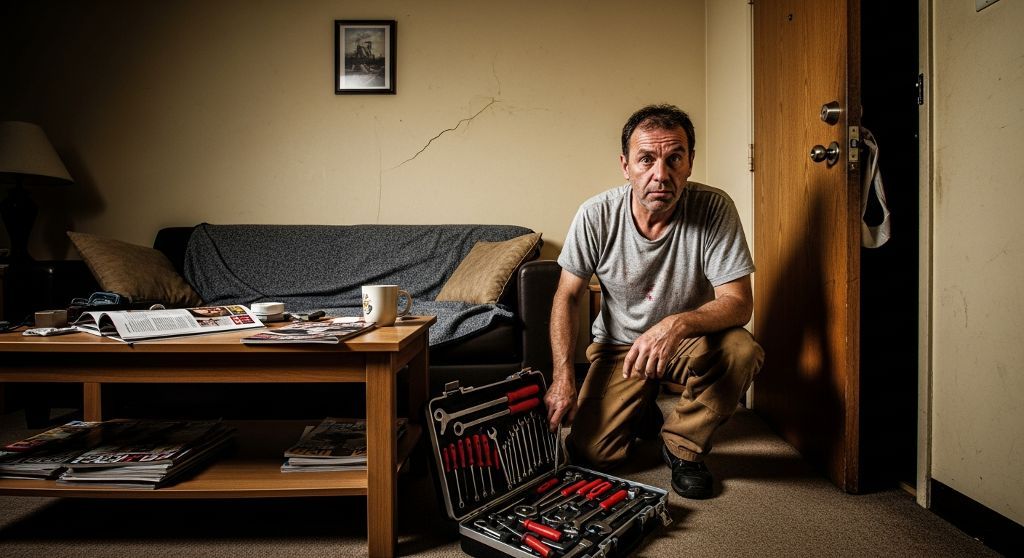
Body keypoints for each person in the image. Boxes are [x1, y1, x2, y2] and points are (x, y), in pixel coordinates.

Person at [544, 104, 765, 499]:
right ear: (625, 165)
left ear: (690, 163)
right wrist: (563, 376)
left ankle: (683, 445)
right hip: (619, 348)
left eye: (673, 158)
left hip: (687, 342)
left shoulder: (715, 208)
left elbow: (738, 302)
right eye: (646, 159)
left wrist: (675, 325)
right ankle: (640, 405)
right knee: (590, 455)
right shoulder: (595, 215)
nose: (660, 174)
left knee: (741, 349)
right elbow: (567, 296)